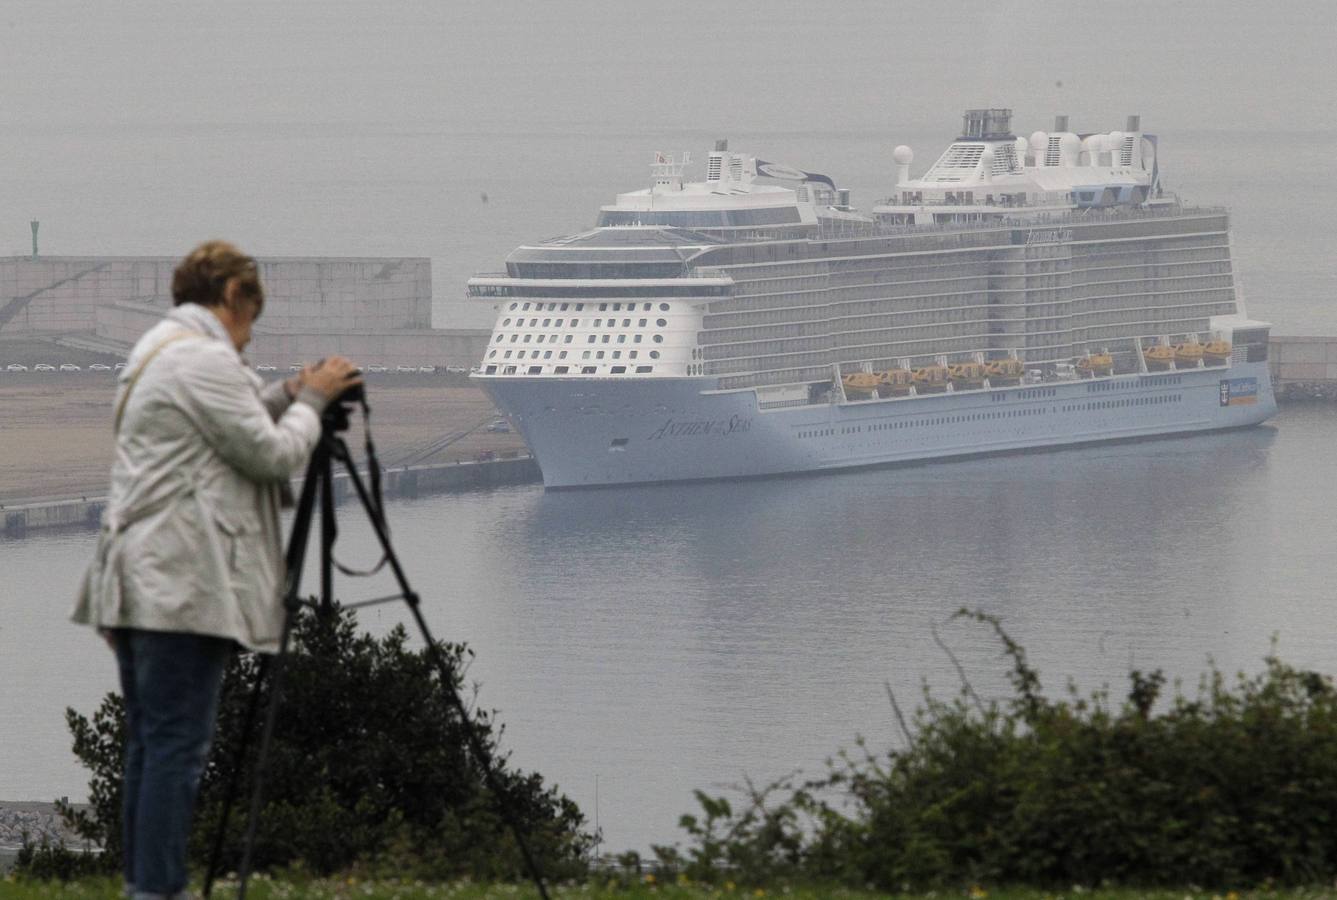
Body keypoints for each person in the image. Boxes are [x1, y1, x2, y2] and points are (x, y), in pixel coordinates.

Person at [73, 240, 361, 900]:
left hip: (134, 574)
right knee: (176, 748)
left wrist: (287, 390)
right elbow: (271, 457)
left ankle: (145, 886)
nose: (247, 338)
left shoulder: (159, 349)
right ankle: (158, 890)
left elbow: (218, 424)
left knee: (151, 745)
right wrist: (313, 404)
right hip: (178, 580)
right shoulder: (205, 357)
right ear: (233, 297)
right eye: (250, 319)